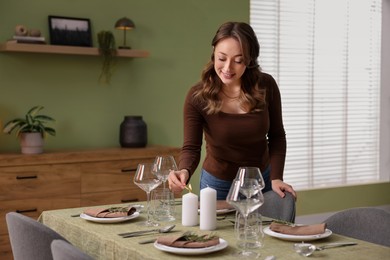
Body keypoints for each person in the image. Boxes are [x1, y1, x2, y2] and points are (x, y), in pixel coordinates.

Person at [168, 21, 296, 200]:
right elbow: (191, 147)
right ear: (213, 53)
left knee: (258, 229)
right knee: (216, 230)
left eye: (238, 60)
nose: (227, 68)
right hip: (218, 185)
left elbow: (277, 136)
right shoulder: (198, 96)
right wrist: (184, 170)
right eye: (221, 58)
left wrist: (276, 177)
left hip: (261, 182)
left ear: (250, 60)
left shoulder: (266, 85)